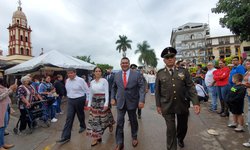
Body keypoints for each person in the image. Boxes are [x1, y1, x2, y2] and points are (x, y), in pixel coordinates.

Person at [155, 47, 200, 150]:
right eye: (167, 57)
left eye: (172, 57)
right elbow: (157, 90)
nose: (170, 59)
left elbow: (190, 87)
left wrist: (196, 102)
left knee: (183, 126)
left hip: (182, 103)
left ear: (175, 58)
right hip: (167, 104)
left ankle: (180, 138)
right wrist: (158, 105)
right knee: (171, 129)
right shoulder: (160, 73)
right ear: (164, 60)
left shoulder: (183, 71)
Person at [111, 57, 145, 150]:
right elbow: (113, 87)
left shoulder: (136, 74)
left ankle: (134, 137)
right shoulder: (116, 75)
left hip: (132, 102)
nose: (124, 64)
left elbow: (142, 87)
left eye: (126, 63)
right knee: (119, 122)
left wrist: (141, 100)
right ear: (120, 64)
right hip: (120, 102)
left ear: (129, 64)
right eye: (123, 63)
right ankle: (119, 142)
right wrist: (112, 98)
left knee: (133, 121)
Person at [57, 68, 89, 144]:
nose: (69, 75)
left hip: (79, 99)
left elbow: (87, 90)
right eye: (68, 73)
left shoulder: (80, 80)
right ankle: (65, 137)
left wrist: (87, 100)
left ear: (75, 73)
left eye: (71, 73)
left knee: (80, 114)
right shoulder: (67, 81)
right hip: (70, 100)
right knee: (69, 118)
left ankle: (83, 126)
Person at [86, 67, 115, 146]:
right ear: (94, 72)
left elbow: (107, 92)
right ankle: (96, 138)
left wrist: (106, 103)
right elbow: (90, 93)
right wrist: (89, 104)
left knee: (104, 118)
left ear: (101, 73)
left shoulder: (104, 81)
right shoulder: (92, 82)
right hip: (95, 103)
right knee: (95, 120)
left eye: (99, 71)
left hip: (102, 101)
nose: (98, 72)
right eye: (96, 71)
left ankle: (110, 124)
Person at [0, 78, 17, 150]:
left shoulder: (3, 87)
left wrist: (13, 89)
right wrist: (10, 89)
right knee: (0, 128)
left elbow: (7, 97)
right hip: (1, 110)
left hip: (6, 109)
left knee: (4, 127)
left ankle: (3, 143)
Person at [242, 59, 250, 147]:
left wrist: (245, 84)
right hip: (248, 94)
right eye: (247, 64)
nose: (248, 65)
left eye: (249, 63)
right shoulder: (246, 72)